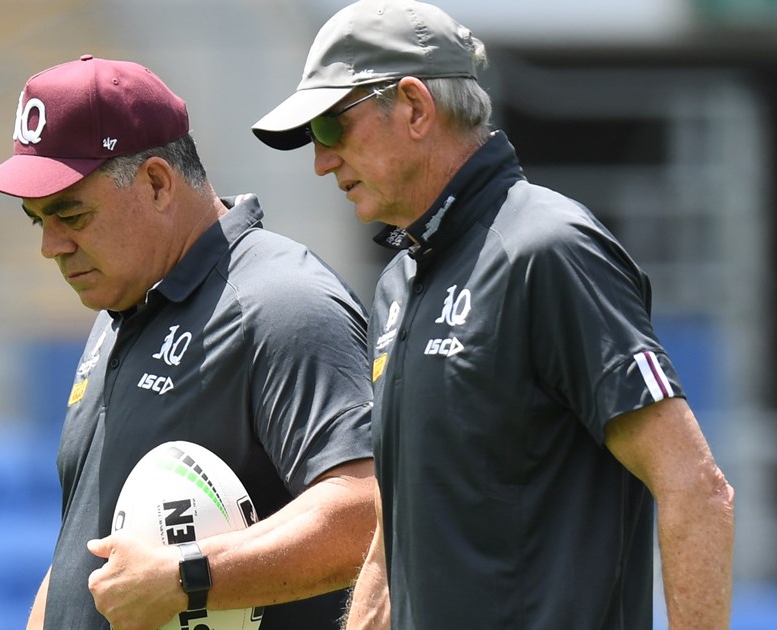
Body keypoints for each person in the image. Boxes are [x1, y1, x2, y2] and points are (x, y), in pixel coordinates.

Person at [249, 2, 736, 629]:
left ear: (416, 107)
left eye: (331, 129)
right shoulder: (402, 278)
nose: (321, 161)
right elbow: (400, 528)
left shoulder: (549, 250)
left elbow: (696, 489)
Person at [0, 54, 378, 630]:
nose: (51, 246)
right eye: (39, 221)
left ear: (157, 183)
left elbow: (366, 512)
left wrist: (188, 576)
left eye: (72, 215)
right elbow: (85, 553)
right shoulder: (120, 311)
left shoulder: (280, 304)